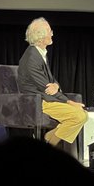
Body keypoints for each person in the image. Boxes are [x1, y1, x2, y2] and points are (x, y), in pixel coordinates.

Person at [17, 17, 87, 148]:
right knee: (78, 116)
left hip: (46, 97)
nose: (52, 34)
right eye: (49, 31)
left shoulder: (40, 53)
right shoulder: (32, 57)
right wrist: (70, 102)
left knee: (83, 115)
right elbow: (46, 88)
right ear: (41, 36)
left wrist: (56, 85)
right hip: (38, 101)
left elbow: (52, 81)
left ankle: (48, 138)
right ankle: (49, 146)